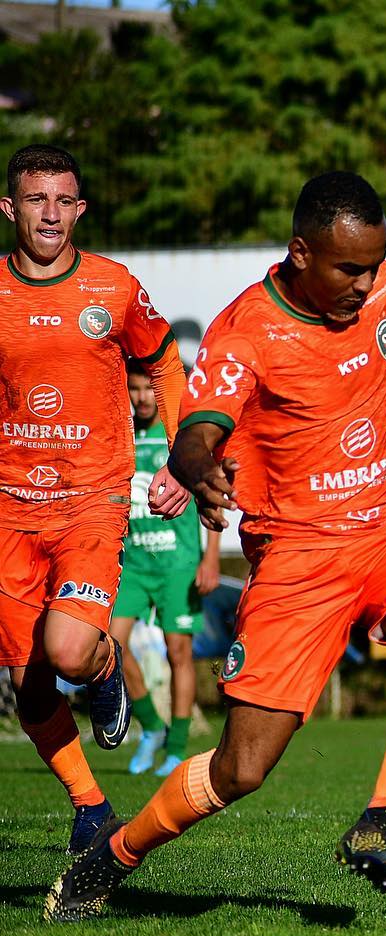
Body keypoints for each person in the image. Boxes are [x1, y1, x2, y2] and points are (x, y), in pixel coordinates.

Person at [46, 171, 386, 922]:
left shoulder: (380, 285)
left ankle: (380, 818)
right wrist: (201, 470)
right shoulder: (246, 330)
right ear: (300, 252)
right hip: (298, 559)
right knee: (242, 768)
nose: (366, 282)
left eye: (374, 264)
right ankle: (114, 854)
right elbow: (194, 435)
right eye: (348, 268)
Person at [0, 145, 188, 857]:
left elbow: (165, 357)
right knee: (30, 682)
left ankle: (106, 665)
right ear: (10, 208)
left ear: (80, 208)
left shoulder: (112, 287)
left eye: (64, 200)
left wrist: (180, 454)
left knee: (69, 650)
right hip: (8, 509)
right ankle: (90, 807)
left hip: (90, 501)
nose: (51, 213)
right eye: (36, 199)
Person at [112, 360, 223, 777]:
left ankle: (177, 747)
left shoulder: (181, 436)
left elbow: (208, 492)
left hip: (177, 561)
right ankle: (152, 727)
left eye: (146, 388)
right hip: (134, 562)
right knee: (109, 646)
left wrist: (210, 556)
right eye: (134, 389)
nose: (141, 397)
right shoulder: (122, 433)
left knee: (180, 652)